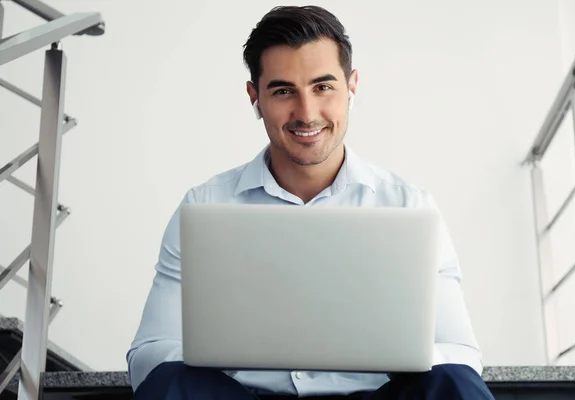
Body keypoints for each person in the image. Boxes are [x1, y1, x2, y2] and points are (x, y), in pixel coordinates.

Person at [126, 5, 495, 400]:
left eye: (323, 87)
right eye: (283, 91)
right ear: (255, 97)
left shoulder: (409, 205)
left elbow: (460, 354)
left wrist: (386, 346)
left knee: (453, 383)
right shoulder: (203, 205)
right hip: (240, 397)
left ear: (351, 87)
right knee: (171, 383)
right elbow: (150, 356)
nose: (306, 113)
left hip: (374, 397)